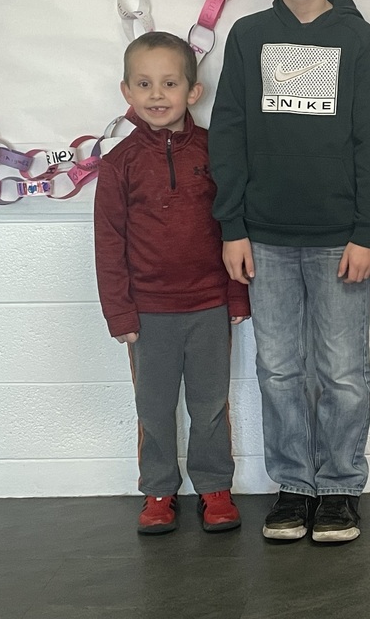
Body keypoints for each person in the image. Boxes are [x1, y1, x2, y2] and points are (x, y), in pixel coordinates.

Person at [209, 0, 370, 544]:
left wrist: (367, 229)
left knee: (342, 371)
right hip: (265, 240)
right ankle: (293, 485)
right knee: (279, 369)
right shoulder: (249, 36)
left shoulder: (357, 38)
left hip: (340, 239)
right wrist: (232, 225)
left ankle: (339, 487)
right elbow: (226, 133)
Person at [94, 31, 250, 535]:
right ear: (127, 92)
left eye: (169, 83)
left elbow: (234, 227)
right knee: (155, 409)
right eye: (144, 84)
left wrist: (236, 295)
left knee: (209, 406)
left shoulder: (215, 152)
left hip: (208, 307)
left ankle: (213, 488)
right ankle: (159, 490)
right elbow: (109, 246)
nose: (157, 95)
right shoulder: (118, 165)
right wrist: (120, 312)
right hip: (149, 315)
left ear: (193, 92)